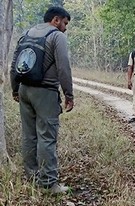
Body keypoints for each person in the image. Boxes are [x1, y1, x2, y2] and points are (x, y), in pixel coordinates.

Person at [10, 6, 74, 193]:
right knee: (47, 137)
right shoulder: (57, 36)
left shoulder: (27, 33)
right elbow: (63, 68)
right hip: (45, 92)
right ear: (56, 20)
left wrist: (15, 89)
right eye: (65, 23)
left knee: (29, 135)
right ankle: (48, 183)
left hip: (24, 90)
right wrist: (68, 94)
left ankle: (32, 176)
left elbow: (15, 64)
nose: (65, 28)